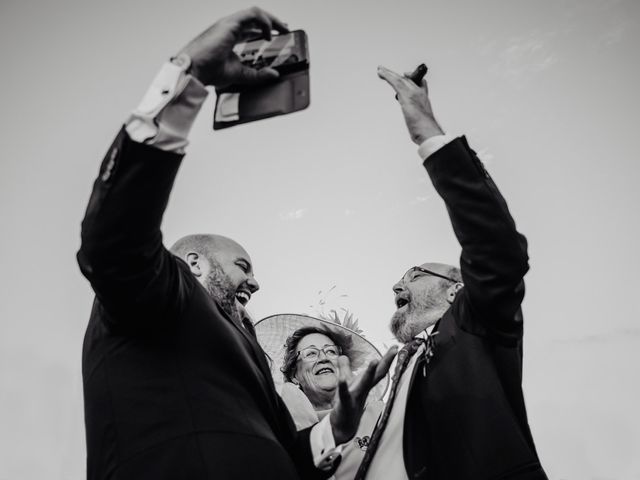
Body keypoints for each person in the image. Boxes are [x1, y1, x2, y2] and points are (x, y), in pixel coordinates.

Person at [76, 8, 395, 479]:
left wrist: (336, 429)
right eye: (242, 265)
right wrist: (188, 79)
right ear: (193, 263)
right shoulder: (162, 293)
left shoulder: (247, 355)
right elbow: (111, 242)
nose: (257, 281)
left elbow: (284, 449)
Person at [351, 67, 549, 480]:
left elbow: (497, 250)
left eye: (415, 274)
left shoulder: (473, 326)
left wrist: (426, 133)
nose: (396, 285)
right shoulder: (396, 370)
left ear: (456, 290)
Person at [255, 314, 388, 480]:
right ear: (294, 375)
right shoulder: (276, 424)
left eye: (331, 351)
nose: (323, 358)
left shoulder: (378, 414)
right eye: (311, 353)